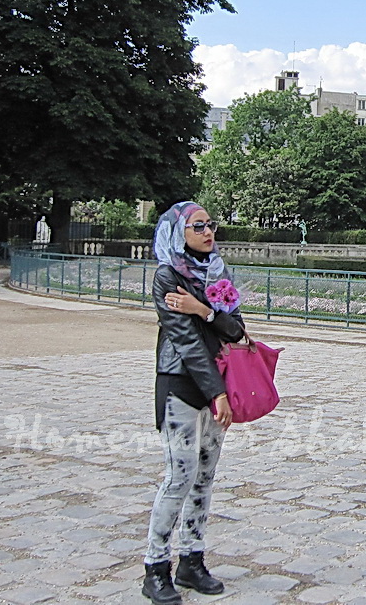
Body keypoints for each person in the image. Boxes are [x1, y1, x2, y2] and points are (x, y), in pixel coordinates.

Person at [142, 201, 245, 605]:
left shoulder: (217, 272)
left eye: (210, 225)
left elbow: (236, 329)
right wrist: (217, 391)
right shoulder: (167, 275)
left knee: (205, 477)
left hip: (215, 386)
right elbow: (184, 342)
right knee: (178, 477)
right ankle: (155, 567)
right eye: (197, 226)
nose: (208, 232)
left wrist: (204, 308)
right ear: (177, 231)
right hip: (181, 385)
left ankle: (192, 560)